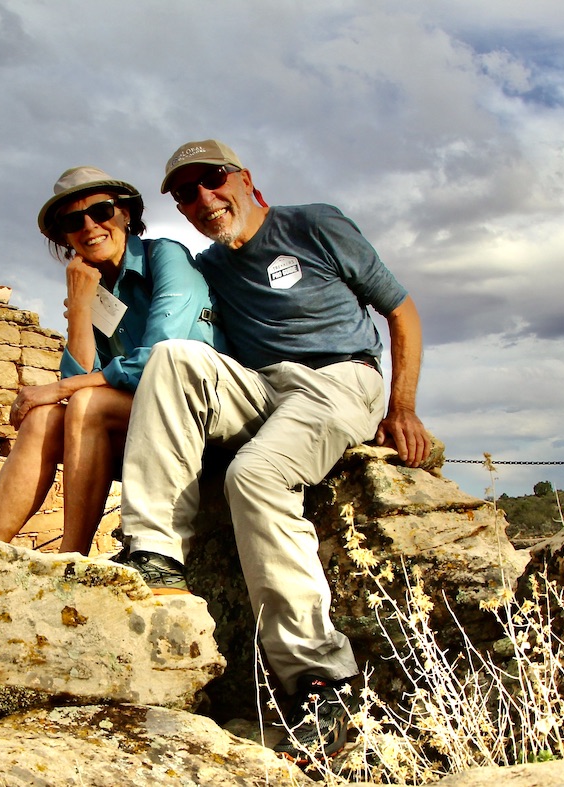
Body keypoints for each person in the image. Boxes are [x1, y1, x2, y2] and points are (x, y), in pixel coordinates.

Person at [118, 140, 431, 764]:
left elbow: (402, 312)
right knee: (174, 358)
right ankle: (154, 553)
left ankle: (322, 683)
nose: (204, 199)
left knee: (255, 475)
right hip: (262, 386)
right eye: (185, 193)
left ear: (244, 178)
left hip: (340, 376)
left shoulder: (312, 224)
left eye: (212, 181)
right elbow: (147, 308)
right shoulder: (207, 268)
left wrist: (401, 408)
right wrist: (81, 288)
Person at [0, 166, 221, 554]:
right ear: (64, 236)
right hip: (141, 420)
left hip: (198, 410)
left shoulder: (165, 257)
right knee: (44, 419)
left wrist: (60, 388)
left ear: (125, 213)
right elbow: (81, 377)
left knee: (87, 402)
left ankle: (71, 558)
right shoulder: (96, 289)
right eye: (73, 221)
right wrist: (79, 305)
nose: (89, 226)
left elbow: (158, 359)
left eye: (101, 211)